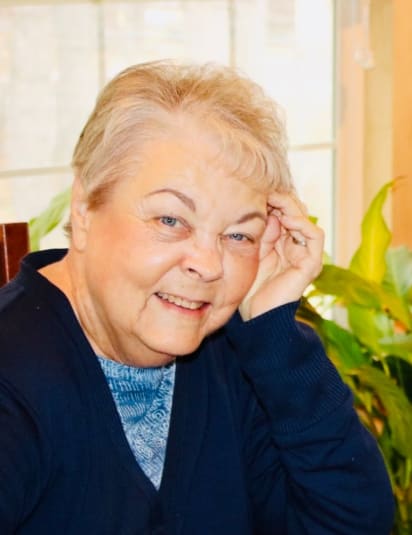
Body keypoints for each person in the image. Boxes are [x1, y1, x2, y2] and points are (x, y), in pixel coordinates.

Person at [0, 60, 394, 534]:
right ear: (84, 209)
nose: (208, 265)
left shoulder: (231, 357)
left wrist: (273, 332)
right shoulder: (13, 376)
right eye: (171, 220)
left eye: (238, 235)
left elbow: (350, 523)